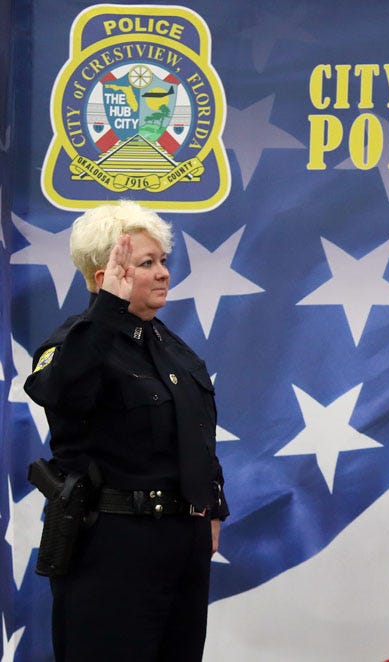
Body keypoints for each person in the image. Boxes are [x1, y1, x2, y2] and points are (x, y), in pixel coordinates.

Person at [25, 200, 229, 661]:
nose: (163, 273)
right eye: (146, 263)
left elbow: (195, 431)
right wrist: (108, 311)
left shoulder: (171, 348)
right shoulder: (73, 343)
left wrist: (213, 505)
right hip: (112, 544)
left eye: (163, 262)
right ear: (105, 277)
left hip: (181, 543)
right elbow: (61, 390)